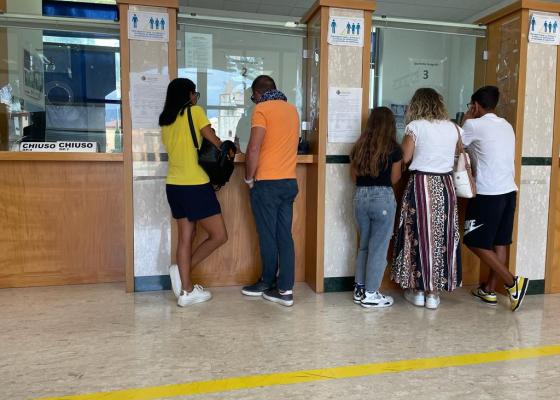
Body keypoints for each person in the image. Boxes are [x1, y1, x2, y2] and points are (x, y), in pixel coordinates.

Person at [159, 78, 228, 307]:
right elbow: (215, 142)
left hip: (174, 185)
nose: (195, 97)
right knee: (219, 235)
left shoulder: (166, 120)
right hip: (195, 184)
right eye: (194, 93)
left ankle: (187, 291)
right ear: (189, 95)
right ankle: (182, 273)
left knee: (185, 238)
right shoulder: (195, 112)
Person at [391, 88, 462, 310]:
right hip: (445, 185)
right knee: (442, 237)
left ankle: (418, 291)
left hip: (421, 184)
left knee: (418, 235)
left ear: (417, 104)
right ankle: (434, 293)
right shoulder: (454, 128)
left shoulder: (415, 127)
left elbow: (405, 157)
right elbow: (458, 155)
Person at [462, 86, 529, 311]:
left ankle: (512, 282)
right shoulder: (506, 125)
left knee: (473, 240)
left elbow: (457, 146)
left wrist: (465, 120)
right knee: (500, 242)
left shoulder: (473, 125)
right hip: (509, 191)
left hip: (487, 193)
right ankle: (489, 290)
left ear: (475, 106)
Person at [240, 75, 300, 307]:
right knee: (284, 235)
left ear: (258, 93)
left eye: (253, 96)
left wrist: (248, 178)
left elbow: (254, 147)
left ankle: (266, 282)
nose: (254, 100)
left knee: (267, 235)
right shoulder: (292, 110)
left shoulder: (262, 109)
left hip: (267, 183)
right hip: (289, 182)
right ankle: (285, 289)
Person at [350, 107, 402, 308]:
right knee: (378, 248)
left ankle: (360, 289)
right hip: (383, 199)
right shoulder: (394, 149)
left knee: (364, 245)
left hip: (360, 197)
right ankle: (371, 294)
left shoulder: (359, 146)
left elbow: (353, 177)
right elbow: (394, 178)